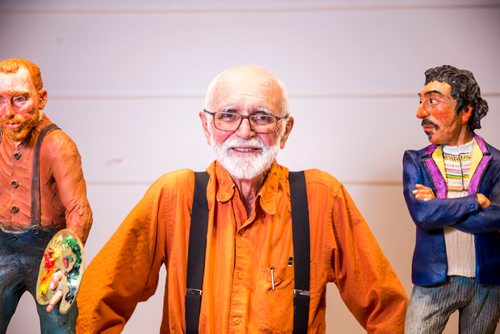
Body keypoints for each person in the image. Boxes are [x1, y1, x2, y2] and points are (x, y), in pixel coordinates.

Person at [77, 64, 407, 333]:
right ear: (206, 126)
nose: (245, 131)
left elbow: (390, 312)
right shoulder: (174, 196)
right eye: (228, 115)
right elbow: (95, 303)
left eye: (262, 117)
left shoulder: (322, 198)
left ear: (286, 130)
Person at [403, 65, 500, 333]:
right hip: (433, 282)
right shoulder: (416, 161)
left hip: (486, 283)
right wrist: (473, 201)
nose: (421, 113)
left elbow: (497, 217)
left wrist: (440, 205)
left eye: (433, 101)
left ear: (466, 111)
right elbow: (423, 215)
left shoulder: (497, 162)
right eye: (421, 102)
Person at [0, 58, 93, 334]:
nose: (8, 112)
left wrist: (67, 263)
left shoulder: (58, 146)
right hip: (3, 246)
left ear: (41, 99)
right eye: (1, 101)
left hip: (49, 251)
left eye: (20, 100)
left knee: (59, 325)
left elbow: (79, 209)